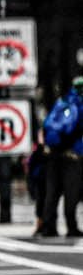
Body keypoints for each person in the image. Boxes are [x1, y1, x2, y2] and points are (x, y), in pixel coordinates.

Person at [40, 76, 83, 237]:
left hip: (53, 154)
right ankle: (71, 226)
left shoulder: (61, 103)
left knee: (53, 192)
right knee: (71, 191)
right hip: (71, 154)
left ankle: (48, 226)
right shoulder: (79, 105)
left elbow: (47, 126)